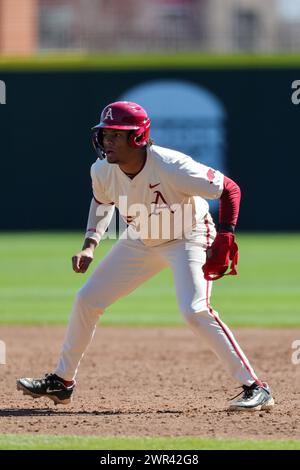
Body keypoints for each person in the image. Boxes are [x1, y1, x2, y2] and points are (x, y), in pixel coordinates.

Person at [17, 101, 274, 412]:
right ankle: (62, 381)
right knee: (88, 299)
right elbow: (101, 203)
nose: (106, 141)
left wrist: (226, 235)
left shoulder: (171, 165)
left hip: (187, 236)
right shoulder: (102, 170)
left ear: (137, 138)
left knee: (194, 310)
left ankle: (255, 386)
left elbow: (229, 189)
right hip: (141, 238)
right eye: (104, 134)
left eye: (115, 135)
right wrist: (90, 244)